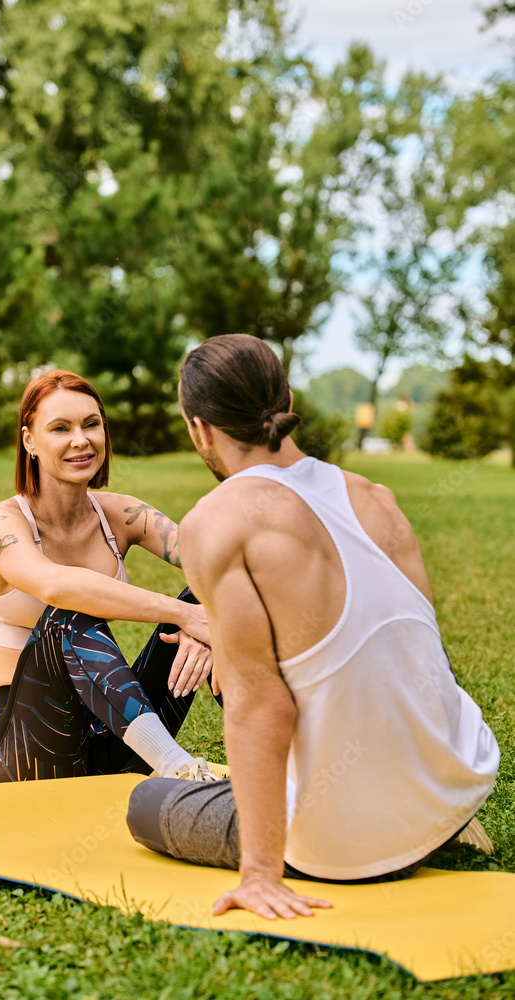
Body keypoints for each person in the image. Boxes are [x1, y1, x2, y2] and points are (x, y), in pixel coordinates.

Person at [127, 333, 500, 921]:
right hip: (455, 781)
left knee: (147, 803)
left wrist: (259, 874)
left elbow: (260, 703)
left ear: (199, 429)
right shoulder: (375, 496)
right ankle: (438, 817)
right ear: (288, 397)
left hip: (352, 842)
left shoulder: (216, 522)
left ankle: (344, 828)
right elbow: (417, 654)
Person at [0, 368, 223, 784]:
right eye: (60, 428)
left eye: (91, 424)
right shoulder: (0, 526)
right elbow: (57, 586)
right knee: (68, 614)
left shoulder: (122, 514)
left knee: (213, 597)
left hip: (120, 740)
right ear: (29, 441)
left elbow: (221, 566)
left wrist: (208, 623)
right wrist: (184, 617)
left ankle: (289, 766)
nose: (81, 439)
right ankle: (178, 768)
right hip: (29, 752)